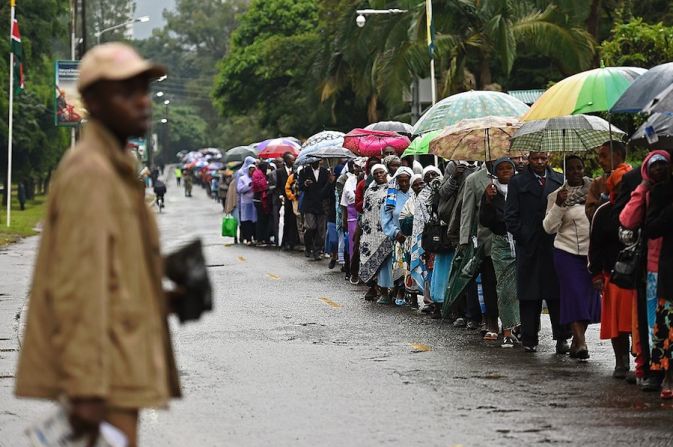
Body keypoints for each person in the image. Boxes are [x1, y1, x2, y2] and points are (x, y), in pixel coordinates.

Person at [15, 43, 181, 447]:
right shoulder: (91, 173)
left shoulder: (115, 167)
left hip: (118, 360)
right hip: (102, 374)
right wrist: (85, 388)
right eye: (126, 92)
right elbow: (77, 284)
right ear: (92, 102)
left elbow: (116, 269)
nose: (143, 102)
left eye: (144, 89)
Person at [505, 151, 571, 353]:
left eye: (543, 158)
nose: (540, 162)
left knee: (556, 293)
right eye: (535, 158)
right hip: (529, 245)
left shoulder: (560, 179)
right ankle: (529, 337)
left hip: (554, 243)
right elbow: (510, 216)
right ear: (529, 159)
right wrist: (523, 235)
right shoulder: (517, 182)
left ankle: (562, 338)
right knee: (529, 294)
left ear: (549, 157)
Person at [620, 150, 672, 391]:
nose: (659, 169)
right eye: (654, 166)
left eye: (663, 164)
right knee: (654, 323)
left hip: (668, 264)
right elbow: (627, 219)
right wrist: (642, 189)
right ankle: (656, 369)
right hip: (652, 268)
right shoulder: (646, 192)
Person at [543, 156, 600, 360]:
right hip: (565, 253)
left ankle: (577, 342)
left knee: (587, 298)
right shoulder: (557, 195)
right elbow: (548, 228)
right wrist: (559, 206)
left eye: (579, 167)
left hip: (591, 254)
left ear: (584, 169)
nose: (576, 171)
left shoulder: (596, 190)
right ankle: (582, 342)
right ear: (565, 172)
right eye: (572, 169)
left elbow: (604, 216)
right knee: (574, 295)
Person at [588, 162, 635, 379]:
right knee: (619, 325)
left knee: (639, 322)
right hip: (613, 275)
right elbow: (595, 246)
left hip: (640, 276)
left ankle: (643, 361)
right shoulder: (603, 212)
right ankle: (621, 362)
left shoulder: (642, 207)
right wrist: (596, 274)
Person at [480, 157, 520, 348]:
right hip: (501, 244)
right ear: (495, 172)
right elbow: (485, 221)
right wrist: (488, 200)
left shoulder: (521, 188)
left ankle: (523, 326)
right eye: (501, 168)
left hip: (522, 243)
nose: (506, 171)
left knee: (522, 287)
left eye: (509, 168)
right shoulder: (491, 191)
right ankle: (507, 330)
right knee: (504, 288)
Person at [460, 160, 499, 339]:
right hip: (486, 240)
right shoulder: (474, 179)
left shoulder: (513, 175)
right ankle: (491, 321)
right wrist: (464, 239)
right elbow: (467, 211)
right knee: (489, 283)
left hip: (512, 240)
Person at [644, 165, 673, 399]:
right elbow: (651, 228)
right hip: (670, 268)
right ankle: (666, 375)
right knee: (667, 326)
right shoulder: (662, 192)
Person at [379, 167, 413, 305]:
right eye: (401, 181)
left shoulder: (414, 194)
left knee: (411, 266)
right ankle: (398, 290)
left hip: (412, 236)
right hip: (398, 237)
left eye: (406, 181)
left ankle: (409, 293)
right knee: (399, 266)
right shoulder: (391, 196)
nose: (404, 184)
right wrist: (395, 232)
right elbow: (385, 217)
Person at [359, 164, 392, 301]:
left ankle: (388, 290)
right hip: (370, 232)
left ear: (386, 173)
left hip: (386, 230)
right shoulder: (369, 190)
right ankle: (373, 287)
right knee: (368, 256)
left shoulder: (392, 188)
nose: (379, 175)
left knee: (387, 263)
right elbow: (365, 211)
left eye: (382, 172)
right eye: (376, 173)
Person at [399, 174, 425, 308]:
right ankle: (413, 297)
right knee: (411, 268)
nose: (419, 186)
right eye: (415, 184)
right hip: (412, 242)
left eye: (421, 183)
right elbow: (403, 222)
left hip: (427, 241)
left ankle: (429, 300)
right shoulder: (409, 203)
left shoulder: (429, 199)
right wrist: (415, 219)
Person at [586, 141, 628, 221]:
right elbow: (590, 214)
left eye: (604, 156)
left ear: (618, 155)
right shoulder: (598, 183)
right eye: (599, 157)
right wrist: (605, 196)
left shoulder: (633, 177)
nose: (600, 161)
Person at [298, 160, 329, 260]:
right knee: (311, 227)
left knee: (321, 230)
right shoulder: (304, 171)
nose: (315, 162)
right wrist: (305, 184)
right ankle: (308, 246)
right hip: (309, 204)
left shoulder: (325, 172)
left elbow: (327, 187)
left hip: (321, 204)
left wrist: (331, 181)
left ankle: (317, 251)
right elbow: (300, 187)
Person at [276, 153, 299, 250]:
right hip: (285, 199)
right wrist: (281, 195)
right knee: (286, 220)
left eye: (294, 160)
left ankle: (293, 242)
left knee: (294, 221)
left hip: (294, 199)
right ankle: (285, 242)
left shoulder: (295, 171)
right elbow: (278, 186)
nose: (293, 162)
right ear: (286, 161)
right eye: (291, 160)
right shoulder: (279, 171)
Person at [252, 162, 273, 246]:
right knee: (261, 220)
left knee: (266, 220)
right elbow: (258, 185)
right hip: (259, 200)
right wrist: (267, 184)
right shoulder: (257, 174)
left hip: (265, 200)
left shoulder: (264, 174)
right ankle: (260, 238)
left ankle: (266, 238)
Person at [237, 163, 257, 245]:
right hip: (245, 202)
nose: (252, 172)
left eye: (253, 171)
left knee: (254, 221)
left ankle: (255, 238)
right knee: (246, 221)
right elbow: (239, 189)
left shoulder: (256, 178)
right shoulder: (242, 178)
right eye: (251, 170)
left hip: (254, 202)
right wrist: (248, 186)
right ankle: (248, 239)